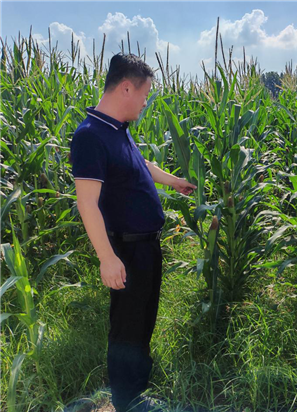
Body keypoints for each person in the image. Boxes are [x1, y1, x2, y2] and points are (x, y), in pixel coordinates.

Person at [71, 53, 196, 411]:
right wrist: (107, 258)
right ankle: (127, 401)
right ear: (126, 87)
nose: (145, 101)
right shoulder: (91, 136)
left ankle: (136, 390)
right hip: (124, 250)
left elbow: (141, 163)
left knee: (142, 321)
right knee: (127, 327)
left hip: (146, 247)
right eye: (144, 94)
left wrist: (175, 182)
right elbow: (87, 203)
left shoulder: (116, 130)